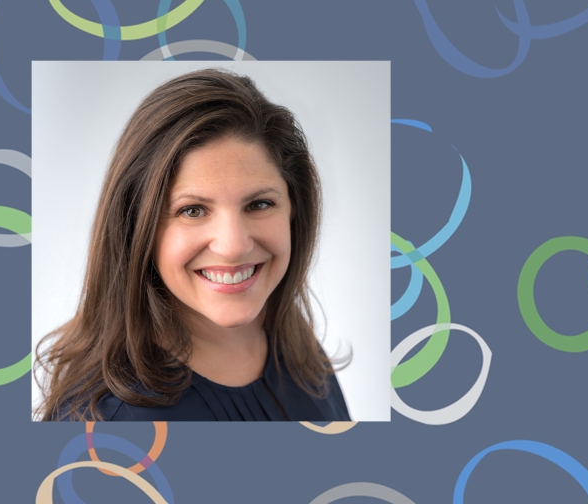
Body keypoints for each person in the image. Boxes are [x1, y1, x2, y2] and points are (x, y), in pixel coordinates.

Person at [35, 68, 351, 421]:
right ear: (137, 228)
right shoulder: (112, 420)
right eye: (192, 210)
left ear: (295, 211)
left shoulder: (298, 351)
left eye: (260, 204)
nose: (233, 246)